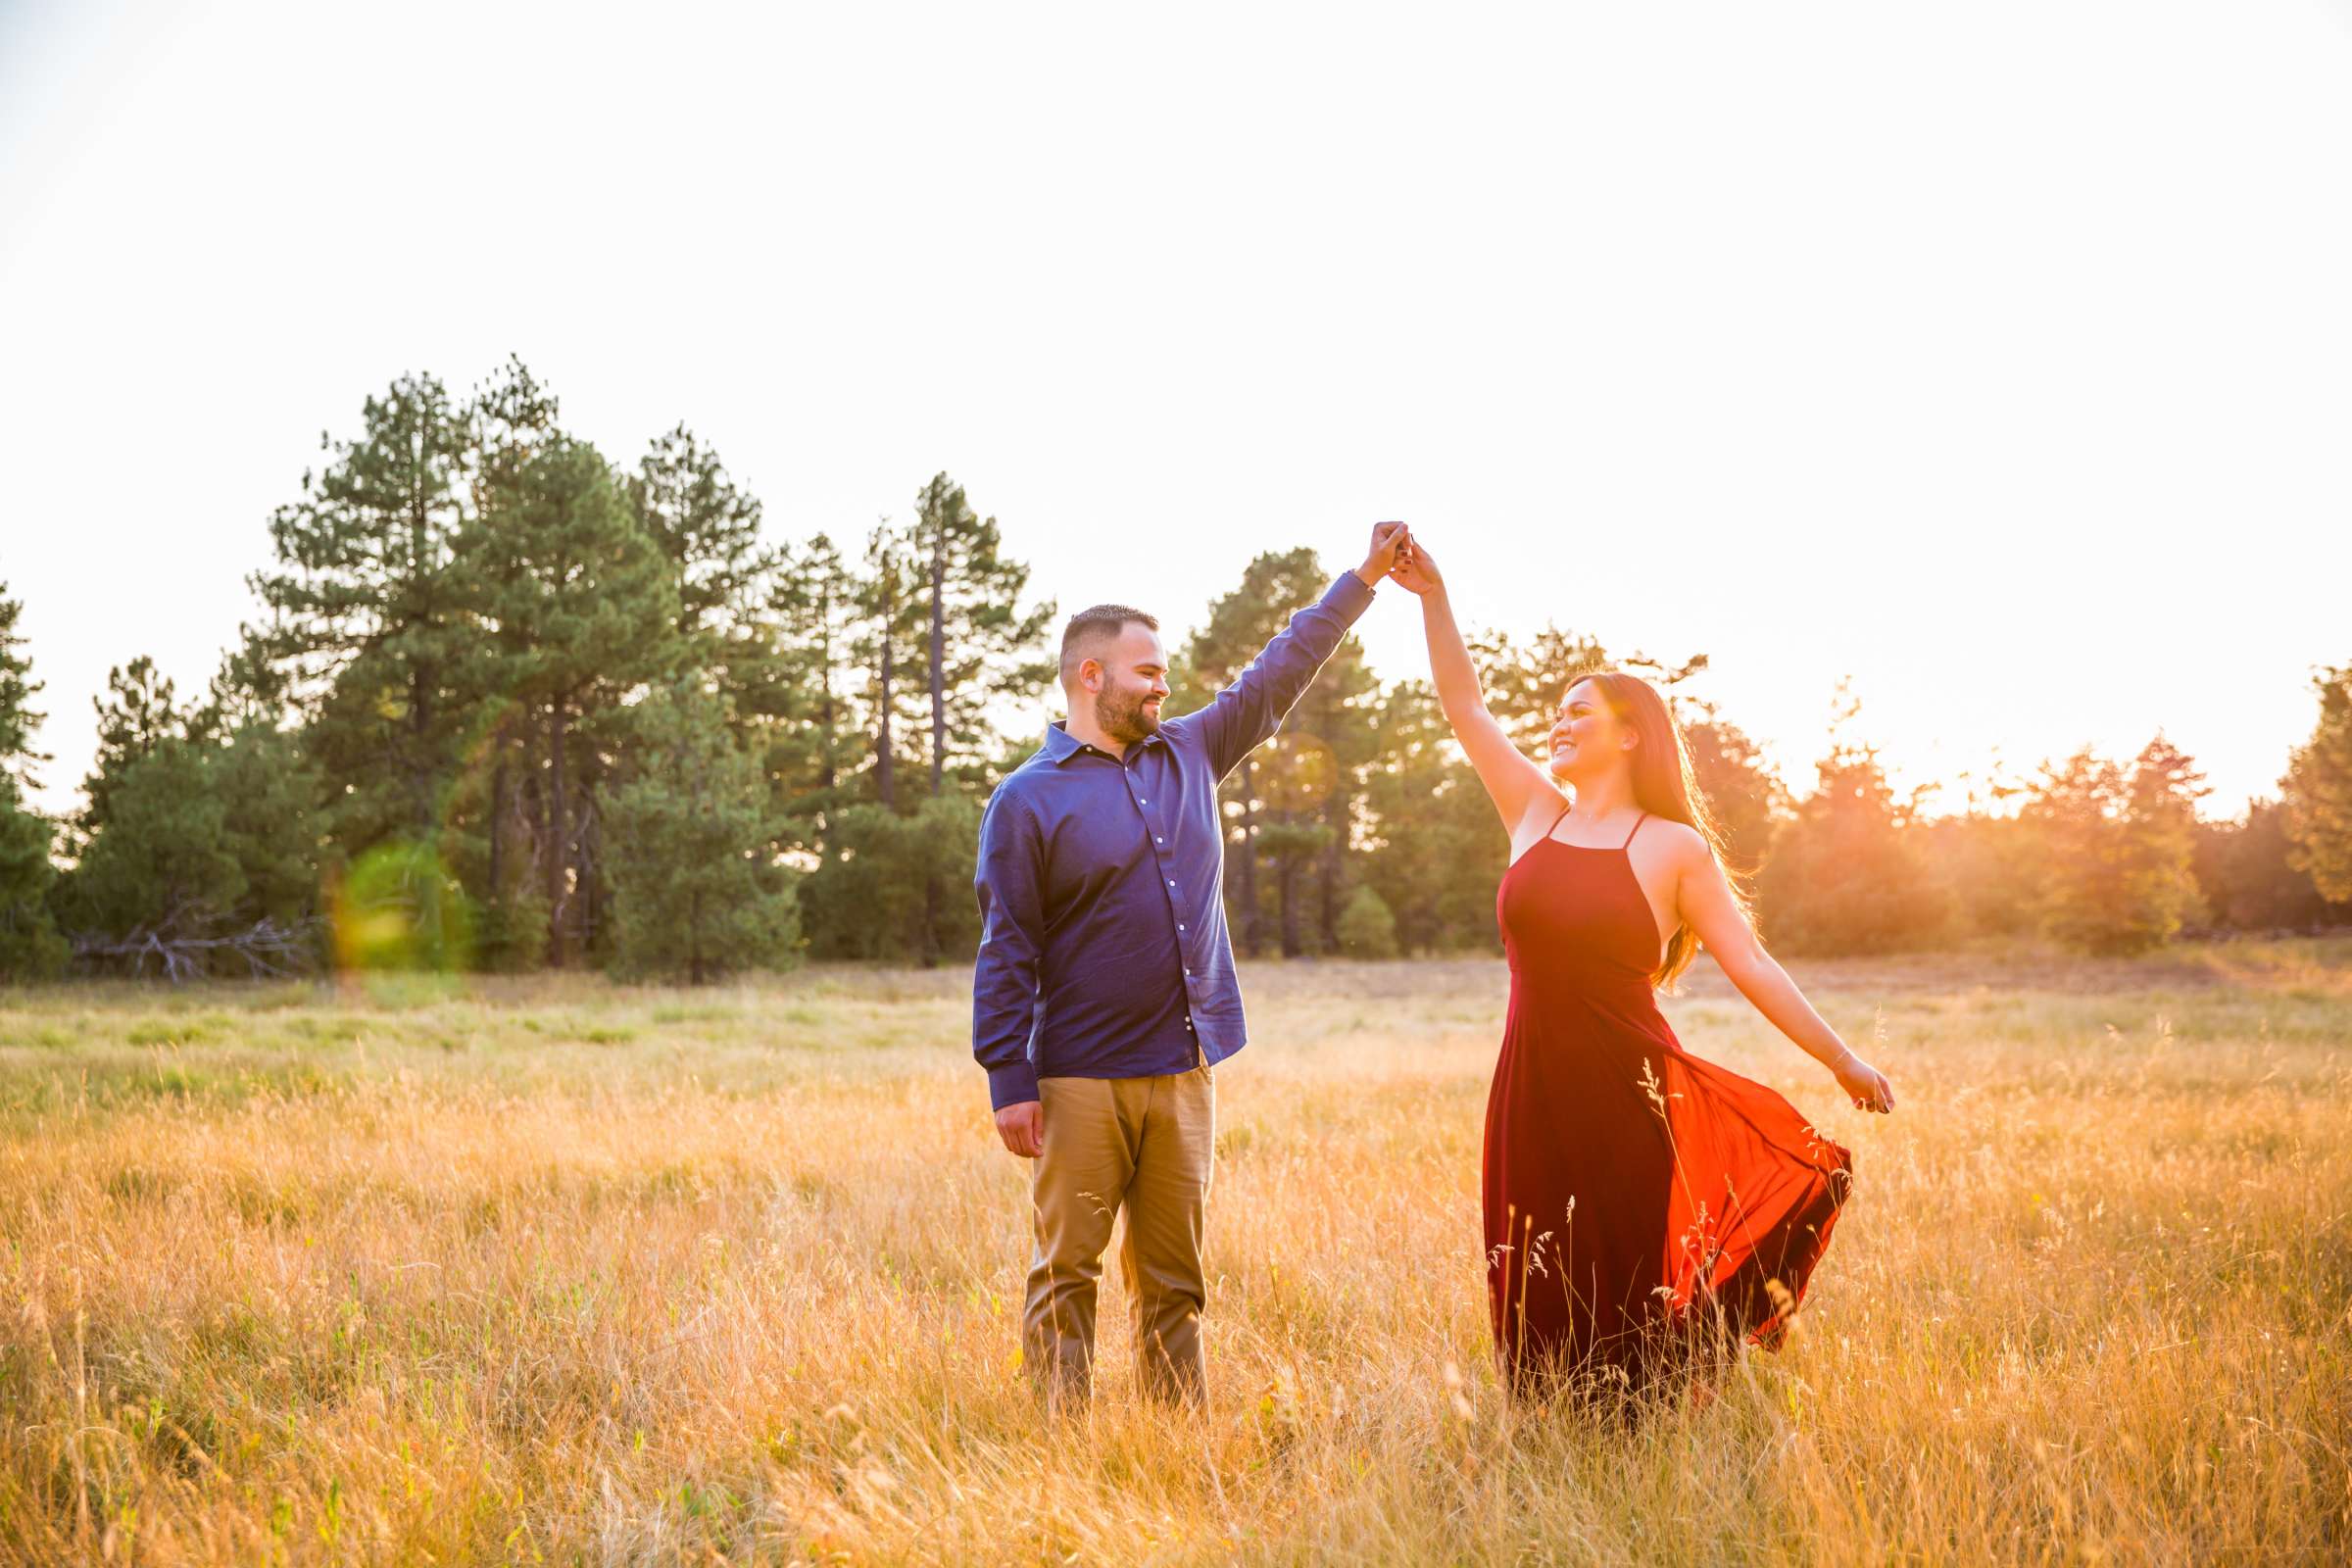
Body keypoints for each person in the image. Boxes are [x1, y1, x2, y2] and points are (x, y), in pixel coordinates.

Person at [1388, 529, 1895, 1412]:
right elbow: (1466, 710)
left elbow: (1753, 964)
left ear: (1631, 736)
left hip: (1629, 1088)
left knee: (1620, 1278)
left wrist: (1841, 1060)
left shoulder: (1671, 847)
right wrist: (1435, 596)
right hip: (1528, 1084)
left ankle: (1641, 1437)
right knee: (1531, 1268)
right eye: (1558, 708)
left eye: (1580, 710)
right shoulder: (1534, 816)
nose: (1559, 720)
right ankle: (1545, 1433)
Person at [972, 522, 1408, 1406]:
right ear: (1090, 677)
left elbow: (1285, 667)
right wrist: (1008, 1078)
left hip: (1185, 1073)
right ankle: (1056, 1452)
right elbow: (1006, 946)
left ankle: (1176, 1443)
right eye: (1148, 673)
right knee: (1067, 1273)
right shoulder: (1026, 800)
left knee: (1176, 1279)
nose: (1164, 687)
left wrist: (1363, 578)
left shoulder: (1194, 751)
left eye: (1164, 672)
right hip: (1079, 1079)